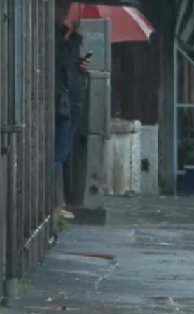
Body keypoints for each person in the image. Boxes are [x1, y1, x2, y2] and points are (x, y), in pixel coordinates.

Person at [53, 0, 88, 220]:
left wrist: (80, 65)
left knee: (62, 153)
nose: (65, 11)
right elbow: (61, 67)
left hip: (72, 101)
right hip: (63, 102)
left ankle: (58, 201)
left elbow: (69, 68)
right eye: (61, 6)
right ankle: (54, 202)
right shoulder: (57, 38)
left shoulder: (64, 38)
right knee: (58, 153)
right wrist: (75, 39)